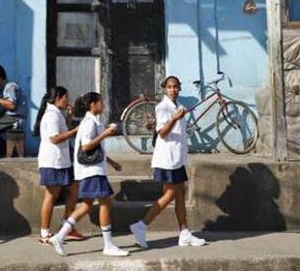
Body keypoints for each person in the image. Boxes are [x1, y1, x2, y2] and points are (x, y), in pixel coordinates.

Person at [49, 92, 129, 258]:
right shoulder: (88, 123)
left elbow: (95, 149)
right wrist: (105, 134)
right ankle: (108, 245)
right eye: (100, 102)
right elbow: (86, 147)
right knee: (105, 203)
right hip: (92, 172)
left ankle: (59, 236)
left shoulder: (92, 122)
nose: (103, 105)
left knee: (86, 206)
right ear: (93, 105)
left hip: (91, 170)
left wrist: (112, 162)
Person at [129, 76, 205, 248]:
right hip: (167, 159)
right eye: (169, 87)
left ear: (179, 88)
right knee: (170, 194)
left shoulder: (177, 106)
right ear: (164, 89)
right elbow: (162, 133)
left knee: (180, 194)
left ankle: (184, 232)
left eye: (176, 87)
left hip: (177, 158)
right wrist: (174, 119)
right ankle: (141, 225)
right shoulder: (162, 107)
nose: (173, 90)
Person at [34, 86, 84, 244]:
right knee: (51, 196)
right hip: (52, 162)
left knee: (74, 189)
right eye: (66, 97)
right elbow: (55, 138)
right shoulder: (51, 116)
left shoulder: (57, 114)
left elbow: (63, 131)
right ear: (58, 98)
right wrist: (76, 130)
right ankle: (44, 232)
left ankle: (67, 227)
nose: (68, 100)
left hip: (63, 161)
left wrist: (69, 118)